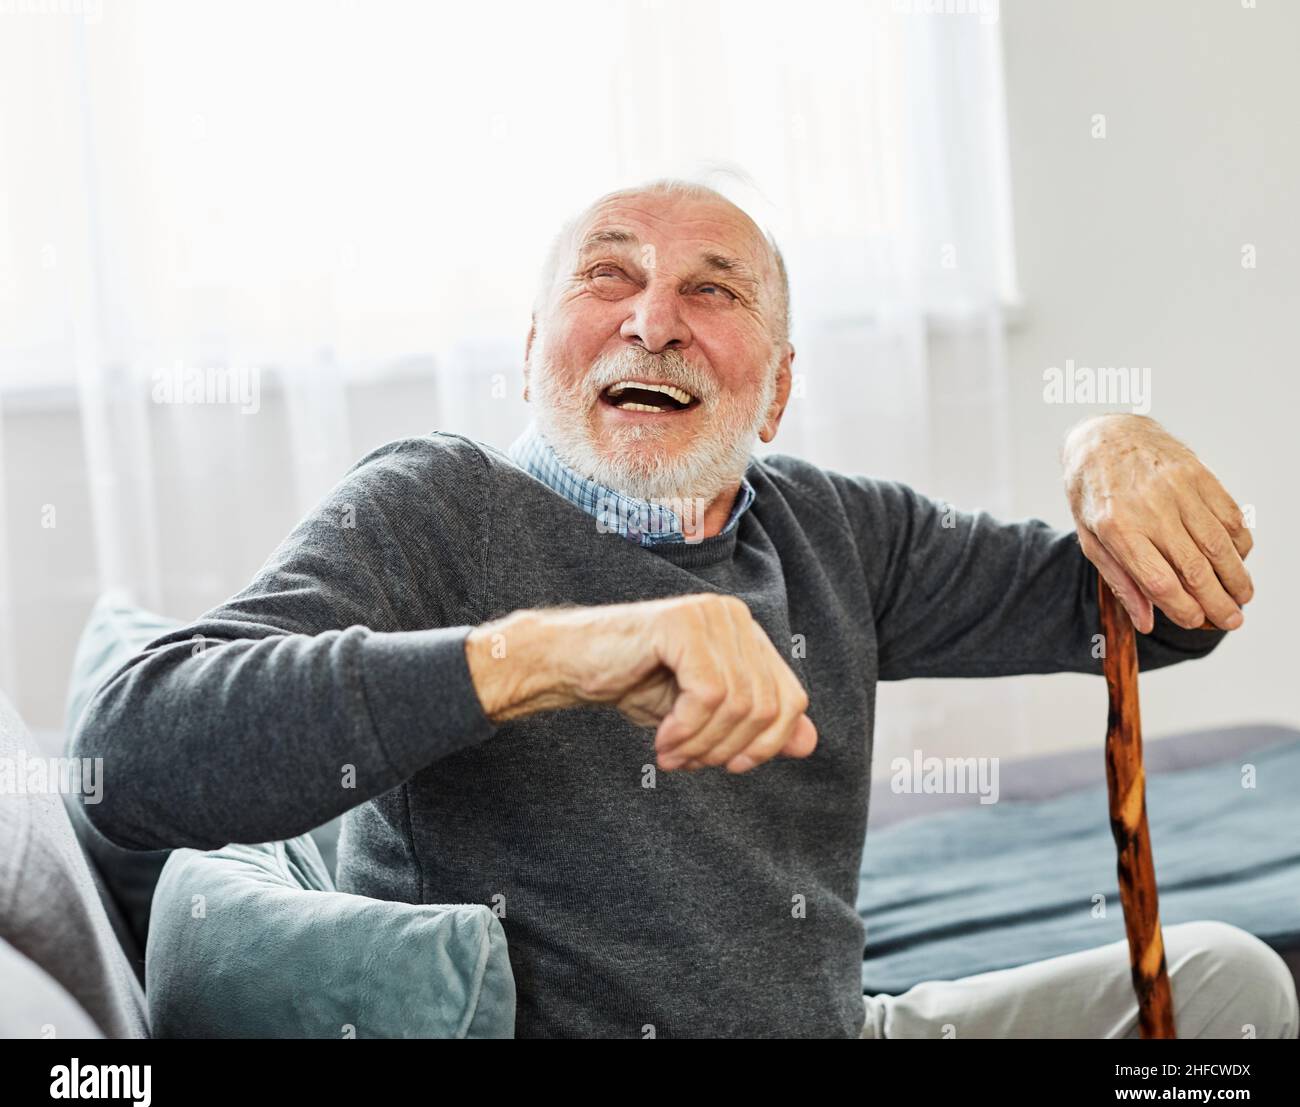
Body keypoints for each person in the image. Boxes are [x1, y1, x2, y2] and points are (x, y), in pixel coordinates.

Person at [76, 178, 1295, 1038]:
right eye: (608, 274)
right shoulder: (436, 504)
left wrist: (1109, 445)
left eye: (714, 291)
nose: (653, 317)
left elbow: (1160, 615)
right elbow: (131, 756)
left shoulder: (835, 526)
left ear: (775, 392)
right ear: (531, 351)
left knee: (1228, 980)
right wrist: (559, 652)